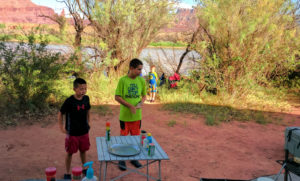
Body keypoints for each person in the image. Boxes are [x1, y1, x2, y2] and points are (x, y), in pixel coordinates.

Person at [115, 58, 147, 171]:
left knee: (135, 139)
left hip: (137, 117)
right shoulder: (123, 80)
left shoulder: (141, 80)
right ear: (131, 68)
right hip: (125, 117)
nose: (140, 72)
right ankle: (121, 160)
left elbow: (144, 96)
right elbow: (117, 97)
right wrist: (130, 106)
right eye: (138, 69)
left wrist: (140, 103)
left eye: (141, 69)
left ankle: (134, 158)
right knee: (123, 138)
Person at [58, 78, 91, 179]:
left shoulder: (86, 99)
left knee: (83, 151)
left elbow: (88, 110)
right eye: (81, 89)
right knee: (70, 153)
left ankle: (84, 169)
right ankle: (67, 173)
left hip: (84, 131)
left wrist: (88, 122)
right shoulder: (69, 101)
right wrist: (61, 127)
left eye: (85, 88)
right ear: (74, 89)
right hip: (72, 132)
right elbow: (60, 113)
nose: (83, 91)